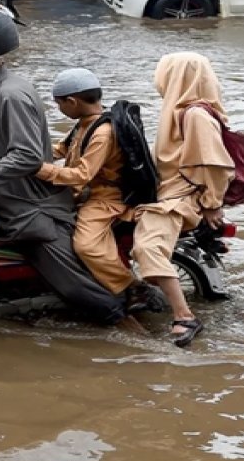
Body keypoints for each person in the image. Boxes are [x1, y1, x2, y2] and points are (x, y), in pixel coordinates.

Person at [0, 7, 127, 328]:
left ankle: (132, 329)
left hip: (31, 211)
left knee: (78, 290)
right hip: (3, 199)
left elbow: (27, 157)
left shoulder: (10, 94)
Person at [36, 68, 163, 314]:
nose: (60, 109)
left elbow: (82, 174)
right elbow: (61, 150)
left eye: (60, 104)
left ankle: (132, 286)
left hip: (104, 198)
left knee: (86, 246)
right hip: (84, 193)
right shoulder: (84, 124)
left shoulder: (102, 133)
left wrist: (39, 169)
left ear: (72, 102)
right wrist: (26, 153)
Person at [130, 53, 235, 348]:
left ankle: (184, 315)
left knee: (148, 248)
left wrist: (213, 203)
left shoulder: (195, 115)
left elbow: (214, 164)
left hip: (179, 199)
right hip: (168, 191)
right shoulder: (179, 111)